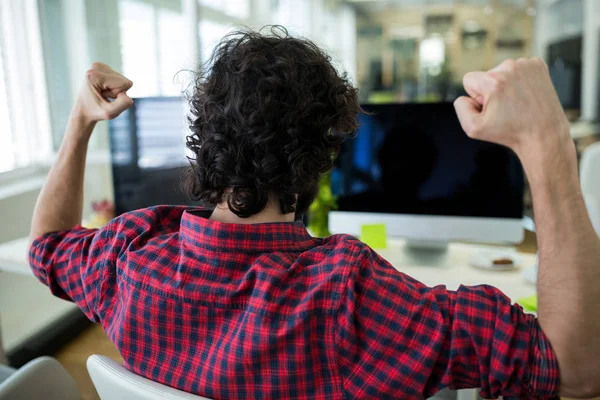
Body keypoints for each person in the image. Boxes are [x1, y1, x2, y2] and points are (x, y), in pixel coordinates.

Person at [28, 26, 600, 399]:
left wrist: (79, 124)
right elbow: (575, 370)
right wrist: (548, 144)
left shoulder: (129, 253)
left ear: (203, 134)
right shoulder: (348, 295)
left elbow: (47, 246)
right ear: (322, 153)